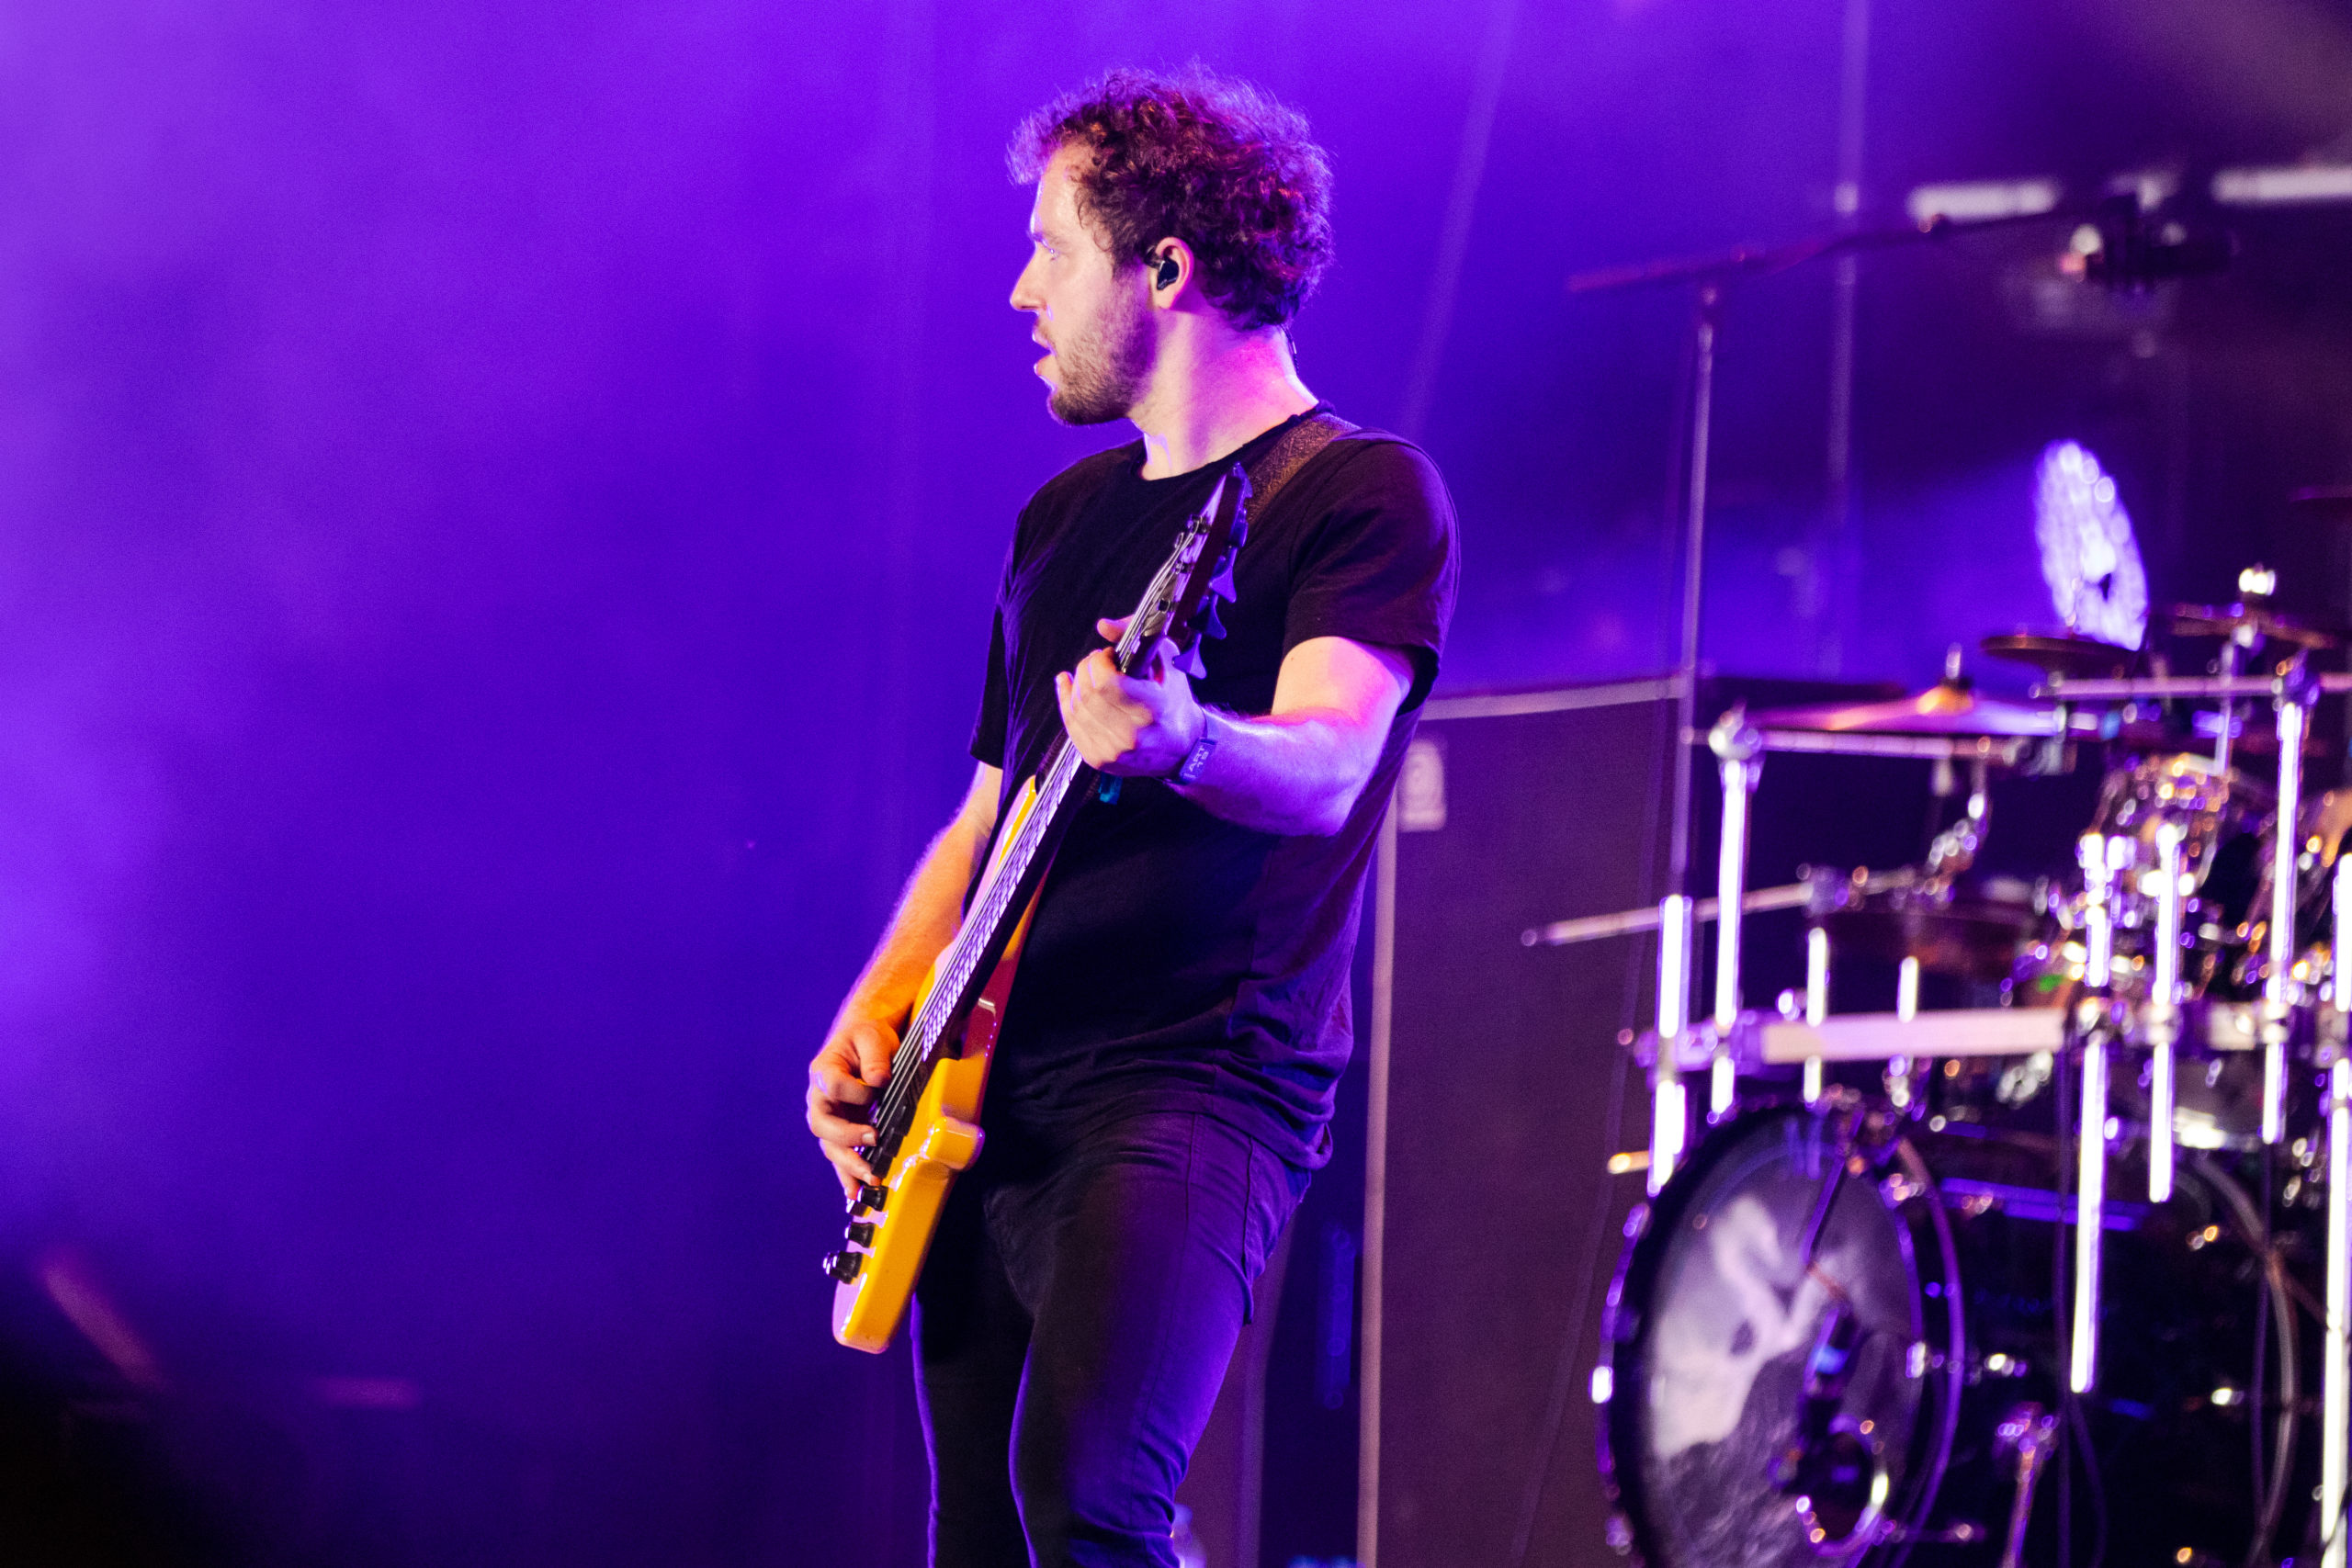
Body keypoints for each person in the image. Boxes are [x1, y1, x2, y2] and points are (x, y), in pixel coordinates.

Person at [805, 67, 1458, 1568]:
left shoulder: (1359, 494)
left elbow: (1330, 763)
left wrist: (1182, 741)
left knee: (1089, 1499)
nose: (1021, 288)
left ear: (1164, 268)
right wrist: (880, 1009)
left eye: (1051, 247)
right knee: (980, 1534)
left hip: (1191, 1079)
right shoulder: (1062, 516)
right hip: (984, 1084)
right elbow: (989, 814)